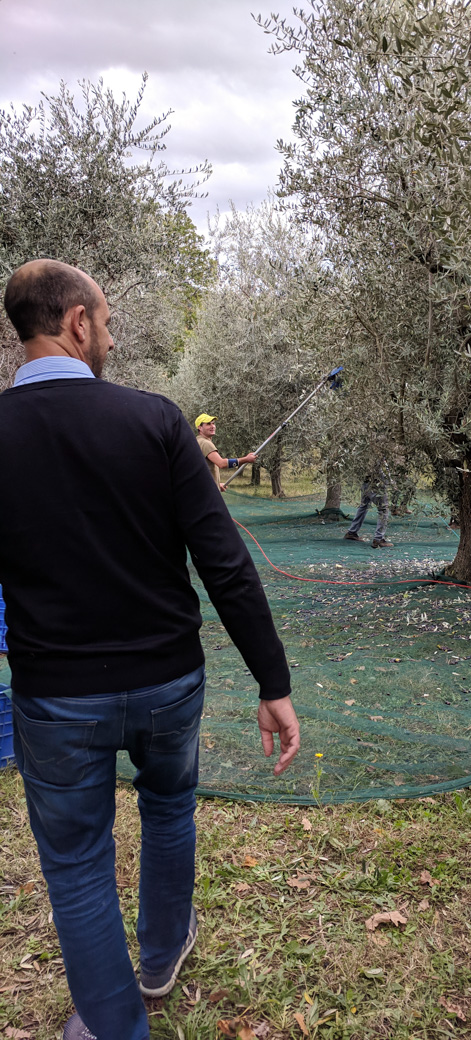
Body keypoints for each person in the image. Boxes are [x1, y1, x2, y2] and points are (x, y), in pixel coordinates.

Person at [0, 260, 300, 1040]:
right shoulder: (158, 421)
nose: (110, 335)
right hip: (169, 682)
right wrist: (273, 680)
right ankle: (161, 956)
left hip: (55, 695)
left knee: (75, 861)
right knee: (170, 811)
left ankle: (113, 1024)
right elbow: (223, 562)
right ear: (75, 321)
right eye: (106, 320)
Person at [194, 414, 257, 491]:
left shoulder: (198, 441)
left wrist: (216, 484)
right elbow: (222, 464)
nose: (212, 426)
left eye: (213, 423)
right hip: (206, 494)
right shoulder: (205, 443)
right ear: (199, 427)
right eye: (208, 424)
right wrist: (246, 459)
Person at [343, 461, 394, 548]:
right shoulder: (377, 453)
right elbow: (381, 469)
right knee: (383, 509)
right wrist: (389, 481)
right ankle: (378, 539)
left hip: (366, 483)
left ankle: (351, 532)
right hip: (375, 485)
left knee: (363, 506)